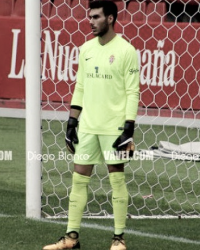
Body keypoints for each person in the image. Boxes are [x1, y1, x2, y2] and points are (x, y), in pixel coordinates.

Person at [42, 1, 140, 250]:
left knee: (116, 180)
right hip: (87, 127)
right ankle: (70, 239)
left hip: (113, 128)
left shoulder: (127, 51)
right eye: (90, 17)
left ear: (110, 18)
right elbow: (81, 87)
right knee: (78, 180)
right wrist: (72, 122)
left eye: (96, 17)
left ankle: (119, 239)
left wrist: (128, 129)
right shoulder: (85, 49)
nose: (91, 21)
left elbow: (132, 92)